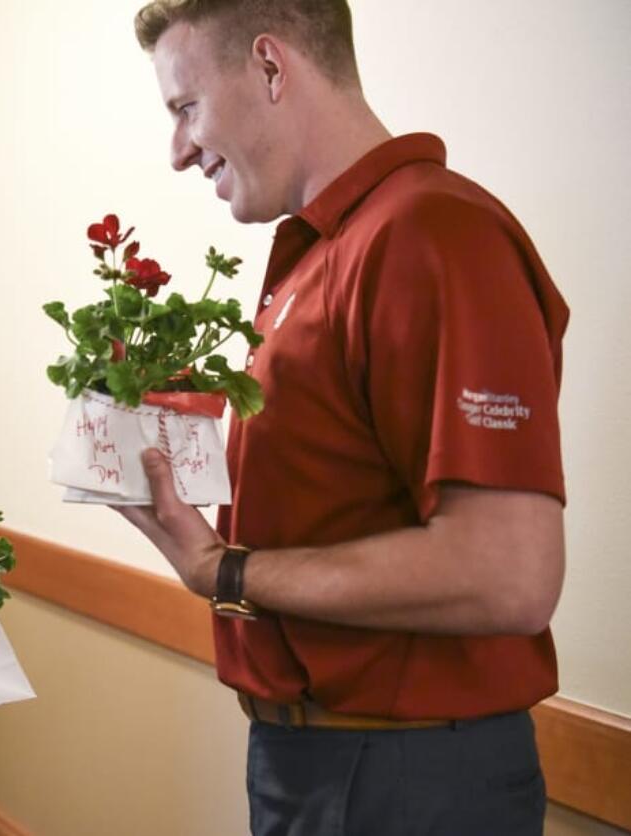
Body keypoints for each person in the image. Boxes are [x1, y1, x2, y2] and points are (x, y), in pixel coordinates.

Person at [120, 2, 568, 834]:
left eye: (186, 109)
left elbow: (509, 573)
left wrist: (224, 571)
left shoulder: (432, 234)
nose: (179, 151)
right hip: (313, 759)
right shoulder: (320, 252)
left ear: (270, 66)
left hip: (414, 773)